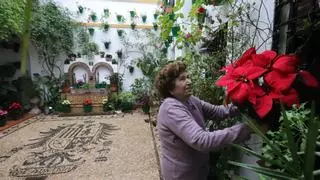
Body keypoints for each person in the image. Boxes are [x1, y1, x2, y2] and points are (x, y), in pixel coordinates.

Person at [155, 61, 252, 180]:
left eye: (188, 77)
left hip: (198, 172)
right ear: (170, 88)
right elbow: (202, 140)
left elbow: (218, 111)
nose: (189, 81)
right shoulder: (171, 109)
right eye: (182, 79)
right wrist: (247, 129)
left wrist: (246, 104)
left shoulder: (190, 100)